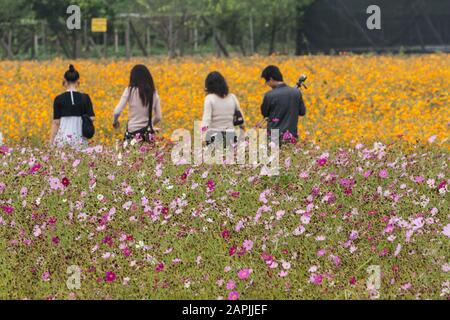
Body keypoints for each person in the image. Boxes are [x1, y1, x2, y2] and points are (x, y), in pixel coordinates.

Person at [50, 64, 95, 149]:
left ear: (65, 81)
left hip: (62, 140)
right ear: (78, 81)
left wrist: (51, 142)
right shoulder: (85, 97)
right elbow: (92, 118)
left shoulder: (58, 99)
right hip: (80, 140)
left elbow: (56, 123)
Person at [113, 64, 162, 141]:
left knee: (132, 152)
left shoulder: (129, 91)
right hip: (147, 134)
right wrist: (150, 125)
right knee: (148, 153)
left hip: (132, 132)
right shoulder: (154, 93)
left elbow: (117, 112)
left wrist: (115, 121)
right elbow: (158, 117)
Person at [260, 65, 306, 143]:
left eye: (266, 81)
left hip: (273, 138)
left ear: (271, 79)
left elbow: (265, 113)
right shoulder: (296, 93)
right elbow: (302, 112)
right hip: (291, 137)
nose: (267, 84)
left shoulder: (269, 95)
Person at [201, 71, 245, 148]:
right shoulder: (232, 97)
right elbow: (240, 116)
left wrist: (202, 137)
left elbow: (206, 120)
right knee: (230, 159)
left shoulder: (209, 98)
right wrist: (243, 129)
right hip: (230, 134)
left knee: (214, 159)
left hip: (214, 135)